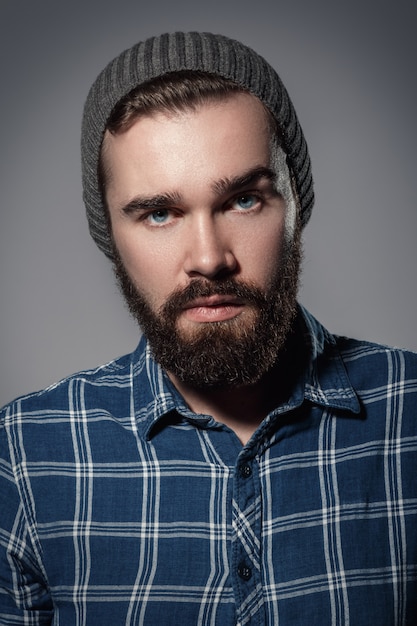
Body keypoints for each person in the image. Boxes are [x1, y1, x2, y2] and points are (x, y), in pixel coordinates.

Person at [0, 31, 416, 626]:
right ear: (110, 236)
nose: (209, 258)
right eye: (160, 213)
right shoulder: (19, 458)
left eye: (243, 200)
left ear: (297, 202)